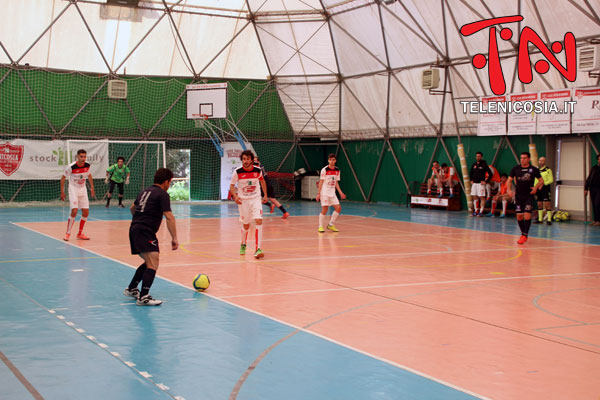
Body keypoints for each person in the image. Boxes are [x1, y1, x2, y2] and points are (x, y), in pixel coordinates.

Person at [123, 168, 178, 306]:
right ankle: (144, 296)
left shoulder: (145, 191)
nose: (169, 185)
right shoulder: (162, 194)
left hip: (134, 228)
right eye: (170, 182)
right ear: (166, 182)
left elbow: (132, 208)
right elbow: (169, 217)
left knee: (149, 261)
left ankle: (132, 288)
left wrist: (139, 220)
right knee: (153, 261)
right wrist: (174, 238)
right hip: (145, 231)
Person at [230, 150, 269, 259]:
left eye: (247, 159)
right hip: (243, 201)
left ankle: (258, 248)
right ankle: (243, 243)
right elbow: (232, 186)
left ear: (251, 160)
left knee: (259, 220)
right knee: (246, 224)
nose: (245, 161)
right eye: (243, 159)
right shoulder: (237, 172)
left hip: (256, 198)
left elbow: (262, 181)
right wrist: (235, 196)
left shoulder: (258, 170)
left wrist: (265, 195)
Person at [507, 152, 544, 244]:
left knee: (527, 215)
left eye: (524, 158)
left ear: (529, 159)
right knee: (519, 216)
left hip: (529, 195)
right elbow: (509, 180)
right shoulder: (516, 168)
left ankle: (524, 235)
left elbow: (541, 180)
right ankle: (523, 233)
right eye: (521, 158)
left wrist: (535, 188)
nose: (522, 160)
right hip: (519, 196)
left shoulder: (533, 169)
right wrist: (509, 190)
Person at [60, 149, 95, 241]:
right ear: (77, 156)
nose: (83, 158)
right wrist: (62, 192)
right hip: (73, 189)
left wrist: (92, 187)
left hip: (82, 189)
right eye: (81, 156)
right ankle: (68, 233)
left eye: (84, 156)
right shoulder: (71, 167)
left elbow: (89, 175)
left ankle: (80, 233)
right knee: (74, 211)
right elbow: (63, 178)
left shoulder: (87, 165)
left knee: (86, 212)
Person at [316, 153, 346, 232]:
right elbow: (321, 182)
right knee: (325, 209)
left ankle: (331, 225)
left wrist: (340, 192)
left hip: (332, 193)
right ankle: (320, 226)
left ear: (335, 160)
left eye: (333, 160)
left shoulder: (337, 170)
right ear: (328, 160)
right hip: (324, 192)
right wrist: (318, 193)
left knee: (338, 208)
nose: (332, 161)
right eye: (330, 160)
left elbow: (336, 182)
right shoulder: (324, 170)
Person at [469, 152, 492, 216]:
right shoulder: (474, 164)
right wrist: (471, 180)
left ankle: (481, 211)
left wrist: (486, 181)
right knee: (474, 197)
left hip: (481, 184)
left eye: (479, 156)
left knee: (482, 197)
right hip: (474, 184)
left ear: (481, 157)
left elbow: (490, 174)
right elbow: (471, 173)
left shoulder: (484, 164)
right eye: (477, 156)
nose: (477, 157)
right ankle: (476, 211)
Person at [534, 156, 554, 225]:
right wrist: (535, 187)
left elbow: (551, 180)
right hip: (538, 190)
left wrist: (542, 184)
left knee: (547, 204)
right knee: (539, 204)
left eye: (542, 160)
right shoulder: (537, 170)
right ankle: (540, 220)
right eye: (540, 160)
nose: (541, 162)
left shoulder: (548, 170)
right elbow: (536, 180)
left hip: (545, 189)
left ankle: (549, 220)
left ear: (545, 161)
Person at [584, 153, 600, 226]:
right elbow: (589, 178)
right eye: (599, 159)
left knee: (597, 203)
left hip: (599, 189)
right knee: (594, 204)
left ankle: (599, 220)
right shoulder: (594, 168)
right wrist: (586, 188)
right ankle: (596, 220)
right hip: (593, 189)